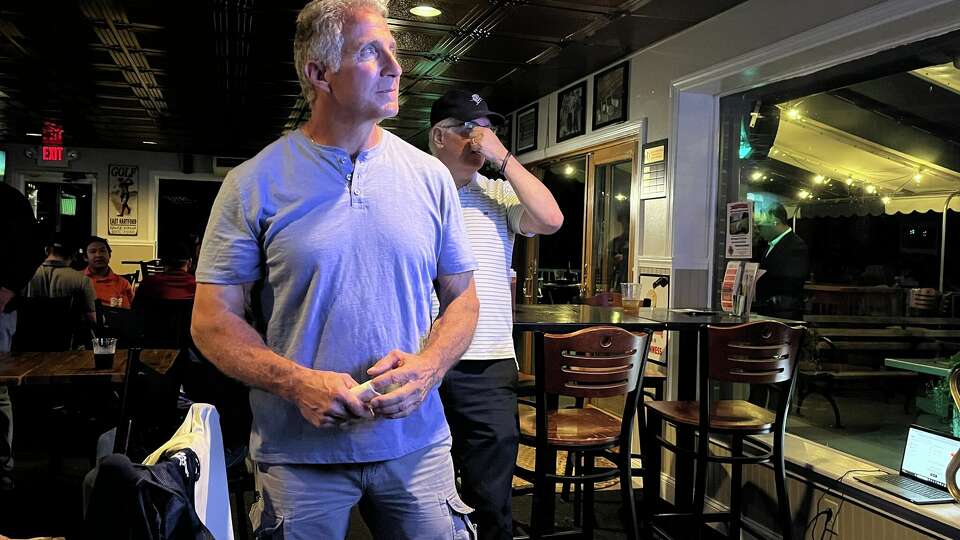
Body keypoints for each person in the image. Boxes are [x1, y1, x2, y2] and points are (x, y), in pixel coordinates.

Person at [190, 1, 480, 538]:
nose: (396, 67)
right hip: (298, 455)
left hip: (416, 445)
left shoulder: (430, 178)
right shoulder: (253, 182)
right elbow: (211, 320)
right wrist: (297, 382)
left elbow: (463, 296)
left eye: (394, 50)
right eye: (371, 51)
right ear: (318, 73)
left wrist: (431, 367)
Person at [428, 89, 563, 539]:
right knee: (421, 494)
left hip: (487, 362)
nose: (478, 140)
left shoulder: (499, 193)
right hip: (421, 360)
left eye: (486, 131)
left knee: (491, 497)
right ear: (438, 137)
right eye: (469, 130)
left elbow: (550, 219)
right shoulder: (414, 189)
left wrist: (503, 157)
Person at [0, 182, 45, 491]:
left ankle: (2, 469)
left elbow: (33, 250)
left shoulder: (6, 199)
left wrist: (7, 289)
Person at [753, 203, 809, 320]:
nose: (758, 229)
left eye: (760, 225)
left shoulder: (795, 246)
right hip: (768, 312)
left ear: (774, 221)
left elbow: (791, 284)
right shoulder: (770, 244)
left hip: (782, 315)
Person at [132, 242, 197, 305]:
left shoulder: (148, 283)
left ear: (163, 262)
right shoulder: (197, 285)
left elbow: (136, 311)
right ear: (190, 263)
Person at [84, 236, 134, 309]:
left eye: (102, 251)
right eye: (93, 251)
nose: (98, 255)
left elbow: (133, 312)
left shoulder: (123, 283)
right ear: (85, 257)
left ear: (109, 255)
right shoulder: (77, 280)